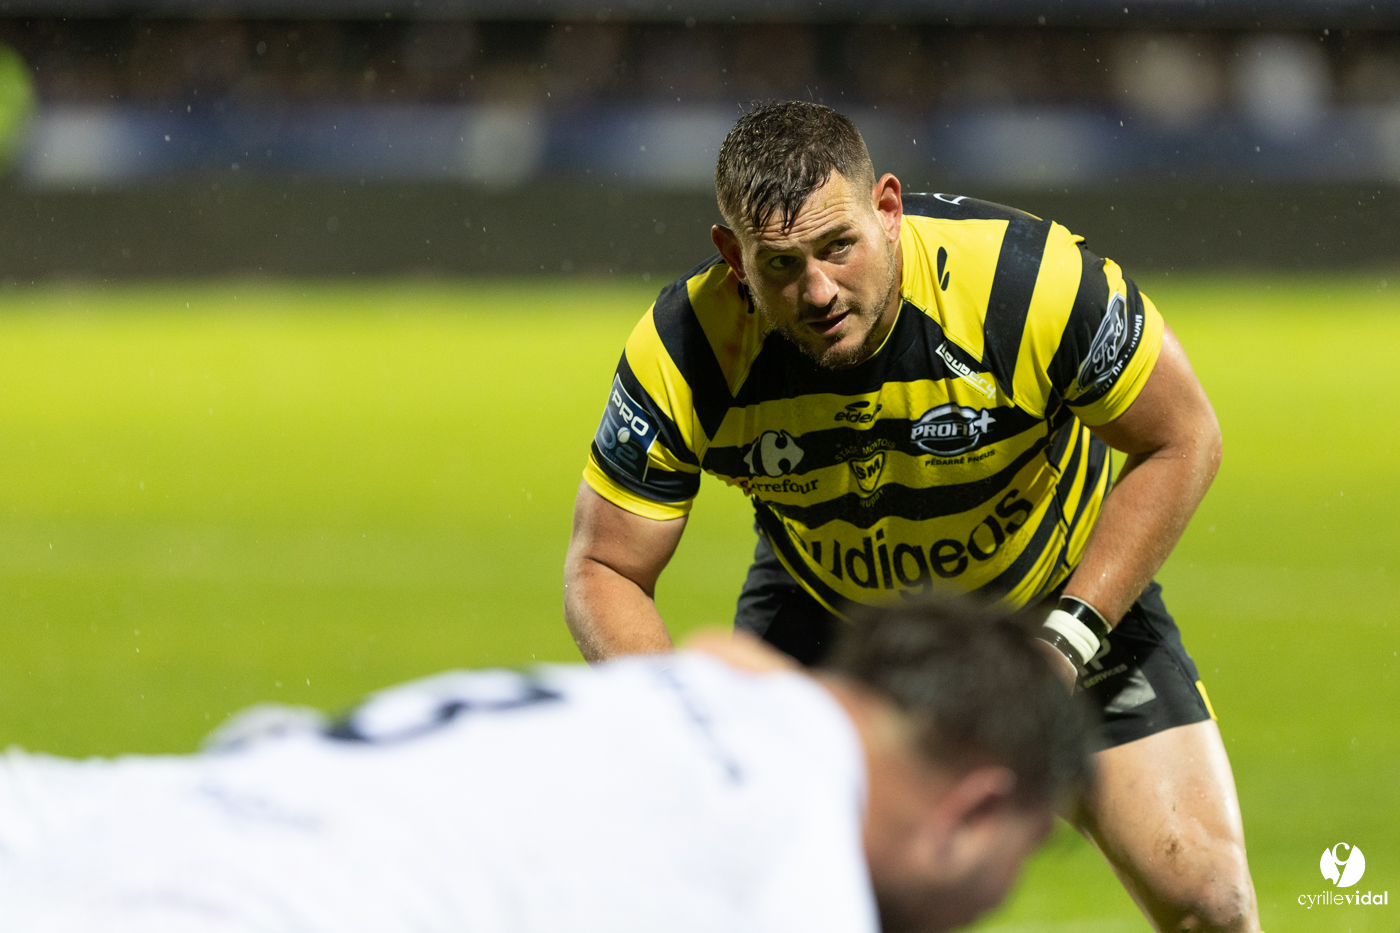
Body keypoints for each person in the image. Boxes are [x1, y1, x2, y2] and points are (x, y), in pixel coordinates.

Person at [565, 100, 1260, 933]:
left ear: (888, 209)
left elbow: (1184, 438)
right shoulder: (687, 347)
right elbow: (605, 565)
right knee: (773, 906)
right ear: (733, 257)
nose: (817, 291)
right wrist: (683, 720)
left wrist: (1066, 641)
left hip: (1058, 599)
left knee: (1208, 901)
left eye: (838, 247)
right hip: (835, 624)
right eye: (781, 265)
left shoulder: (1026, 282)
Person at [0, 598, 1087, 933]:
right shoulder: (792, 868)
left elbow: (727, 651)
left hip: (83, 812)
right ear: (977, 809)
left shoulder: (710, 693)